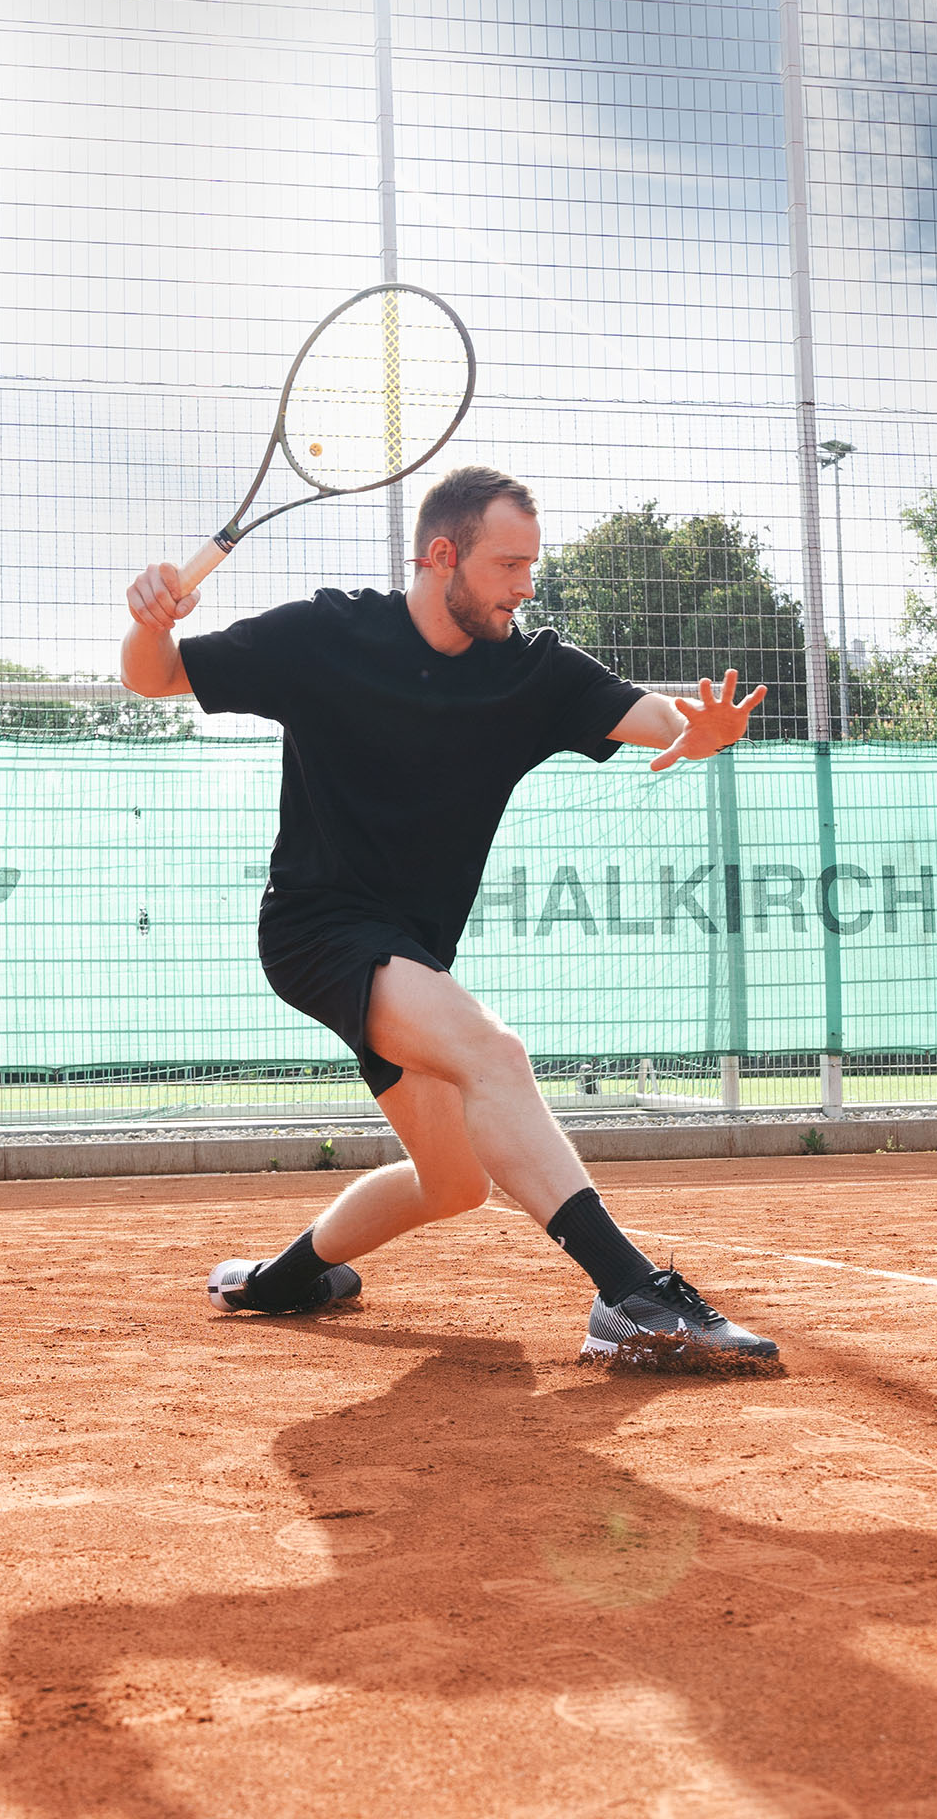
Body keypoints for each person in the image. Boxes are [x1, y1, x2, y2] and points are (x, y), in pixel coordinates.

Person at [120, 465, 778, 1363]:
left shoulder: (533, 672)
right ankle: (632, 1293)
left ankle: (275, 1283)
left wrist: (698, 729)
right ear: (442, 555)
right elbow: (154, 679)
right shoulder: (326, 634)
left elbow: (650, 715)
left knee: (455, 1183)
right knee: (493, 1052)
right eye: (510, 564)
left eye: (531, 565)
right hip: (317, 932)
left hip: (412, 958)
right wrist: (149, 621)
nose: (527, 585)